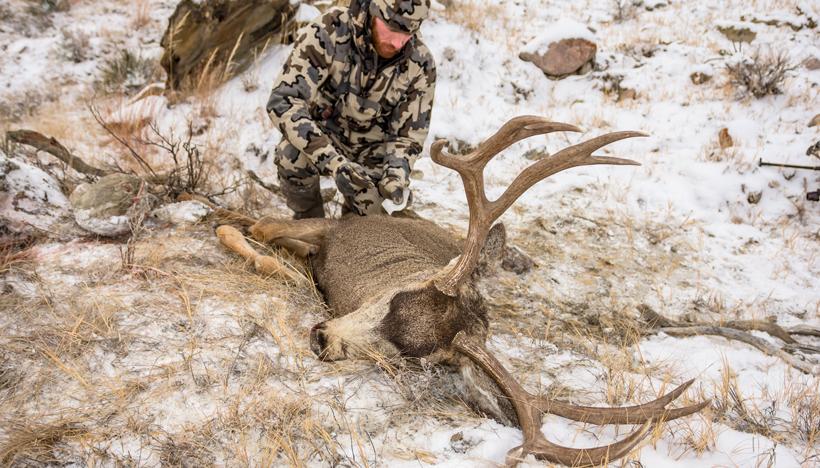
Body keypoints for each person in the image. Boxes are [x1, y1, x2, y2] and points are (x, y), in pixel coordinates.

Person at [266, 0, 435, 218]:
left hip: (373, 153)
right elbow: (284, 101)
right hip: (325, 138)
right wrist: (334, 162)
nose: (398, 42)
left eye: (409, 32)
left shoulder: (421, 63)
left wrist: (394, 178)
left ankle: (354, 219)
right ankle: (308, 219)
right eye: (392, 29)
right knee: (290, 155)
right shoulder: (329, 30)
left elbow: (407, 137)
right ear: (374, 13)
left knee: (374, 225)